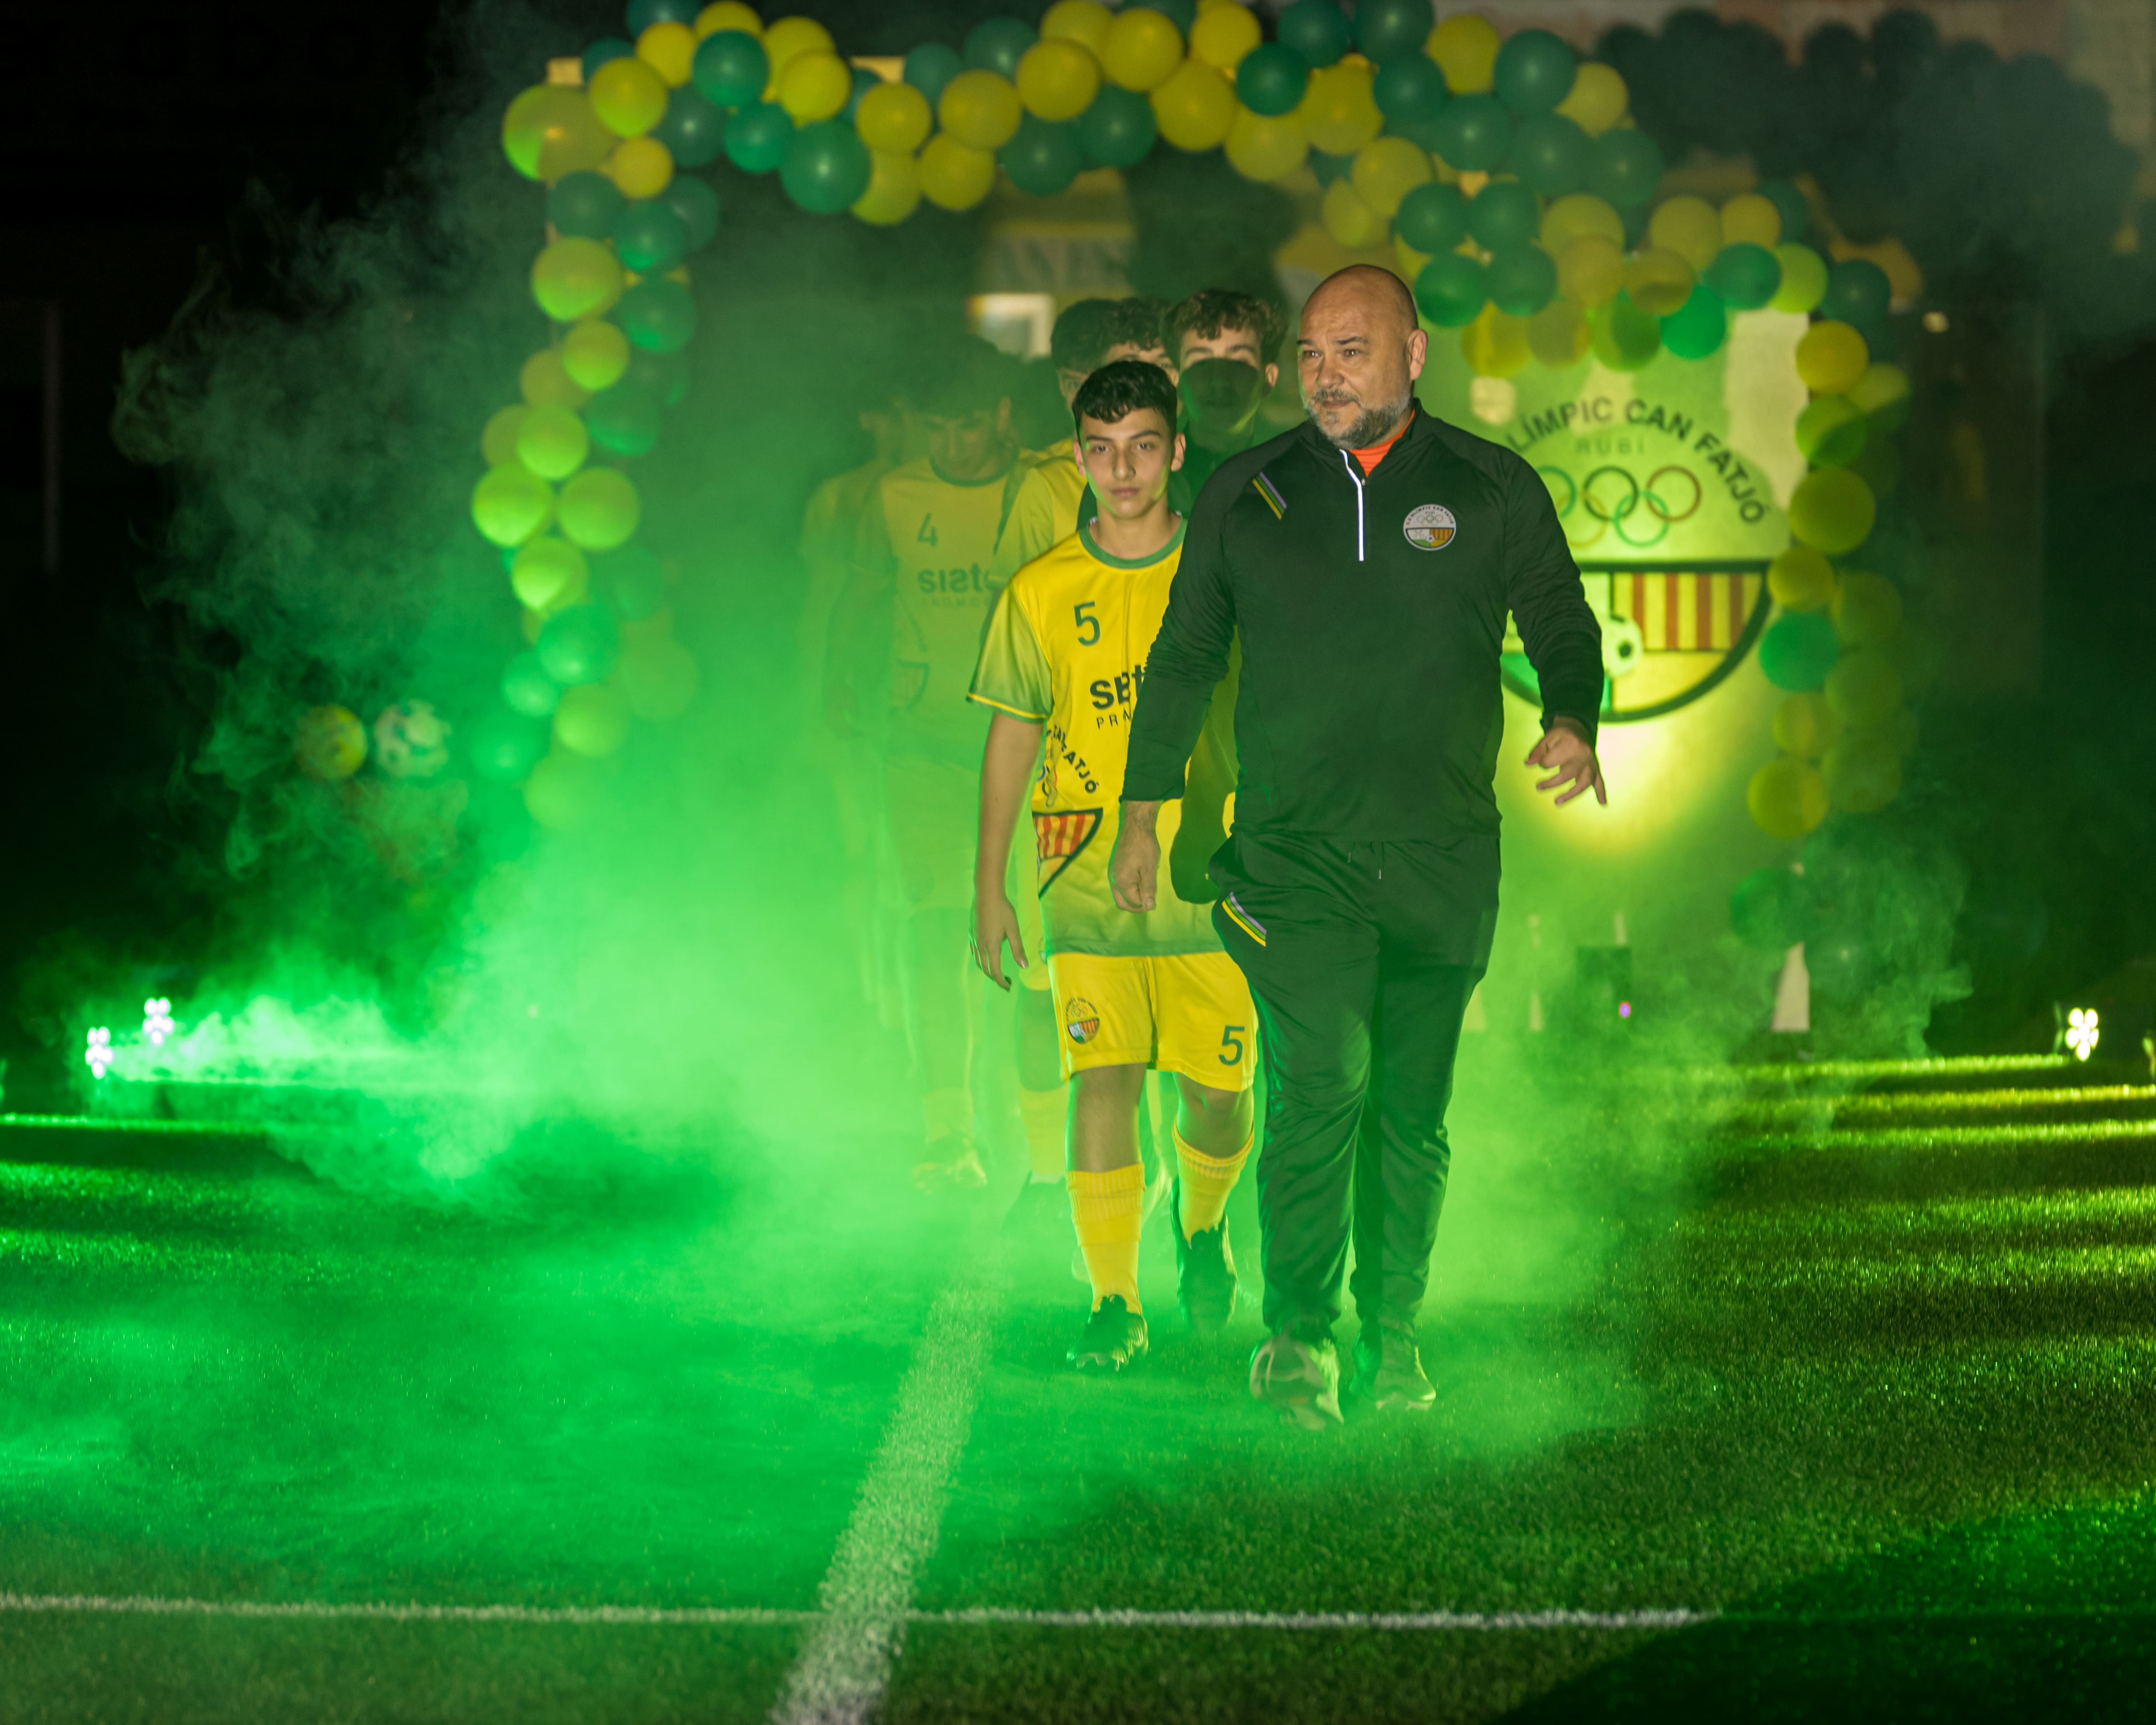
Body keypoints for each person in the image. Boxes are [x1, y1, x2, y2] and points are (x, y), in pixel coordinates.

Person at [1109, 265, 1608, 1429]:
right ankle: (1298, 1338)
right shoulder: (1246, 491)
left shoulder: (1490, 486)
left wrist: (1572, 717)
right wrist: (1143, 809)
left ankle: (1394, 1337)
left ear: (1413, 355)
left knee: (1409, 1112)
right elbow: (1183, 659)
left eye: (1352, 351)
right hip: (1293, 856)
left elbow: (1556, 613)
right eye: (1311, 355)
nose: (1324, 375)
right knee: (1322, 1079)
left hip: (1442, 858)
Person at [970, 361, 1254, 1373]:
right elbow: (1012, 736)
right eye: (1101, 450)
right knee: (1103, 1076)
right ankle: (1113, 1300)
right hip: (1082, 874)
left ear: (1175, 451)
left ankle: (1204, 1224)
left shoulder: (1231, 574)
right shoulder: (1040, 590)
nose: (1122, 470)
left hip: (1209, 869)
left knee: (1216, 1093)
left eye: (1142, 447)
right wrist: (989, 885)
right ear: (1078, 457)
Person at [990, 296, 1179, 1239]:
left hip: (1184, 787)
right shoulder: (1040, 493)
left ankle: (1189, 1191)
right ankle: (1047, 1170)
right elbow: (1027, 640)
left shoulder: (1207, 475)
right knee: (1055, 993)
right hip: (1073, 793)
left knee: (1185, 1000)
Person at [827, 336, 1028, 1191]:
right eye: (937, 427)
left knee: (1037, 947)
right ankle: (948, 1131)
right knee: (930, 926)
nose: (953, 444)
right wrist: (839, 677)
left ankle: (1038, 1127)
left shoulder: (1044, 490)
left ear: (1003, 416)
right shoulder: (893, 495)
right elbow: (864, 590)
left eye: (968, 425)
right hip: (925, 749)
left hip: (1029, 753)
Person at [799, 368, 923, 1018]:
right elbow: (827, 601)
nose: (904, 428)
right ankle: (878, 996)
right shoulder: (841, 498)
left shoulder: (942, 487)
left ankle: (902, 998)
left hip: (919, 696)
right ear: (871, 420)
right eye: (892, 414)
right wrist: (824, 686)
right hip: (866, 696)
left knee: (909, 859)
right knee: (868, 853)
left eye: (911, 413)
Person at [1162, 289, 1286, 498]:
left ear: (1268, 378)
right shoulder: (1151, 477)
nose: (1220, 381)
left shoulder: (1296, 475)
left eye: (1238, 363)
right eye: (1202, 363)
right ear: (1176, 381)